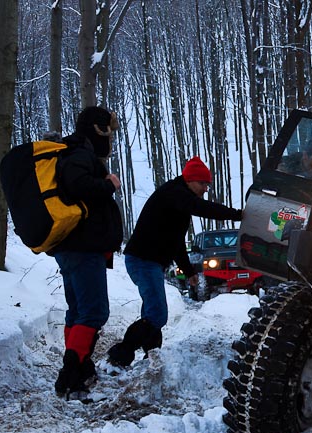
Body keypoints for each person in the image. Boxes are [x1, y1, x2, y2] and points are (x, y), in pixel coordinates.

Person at [106, 156, 242, 367]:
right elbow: (202, 208)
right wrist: (238, 215)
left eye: (208, 184)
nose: (206, 188)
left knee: (151, 313)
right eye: (203, 183)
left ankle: (152, 359)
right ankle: (119, 355)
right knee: (157, 314)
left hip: (149, 261)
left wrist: (189, 272)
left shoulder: (178, 201)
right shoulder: (174, 193)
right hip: (143, 260)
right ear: (189, 180)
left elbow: (176, 241)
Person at [51, 106, 123, 400]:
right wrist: (108, 184)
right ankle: (70, 375)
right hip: (83, 249)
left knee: (79, 311)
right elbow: (78, 185)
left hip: (73, 248)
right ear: (98, 130)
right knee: (94, 312)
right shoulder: (80, 154)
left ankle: (79, 369)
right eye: (110, 132)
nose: (112, 140)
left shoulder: (72, 152)